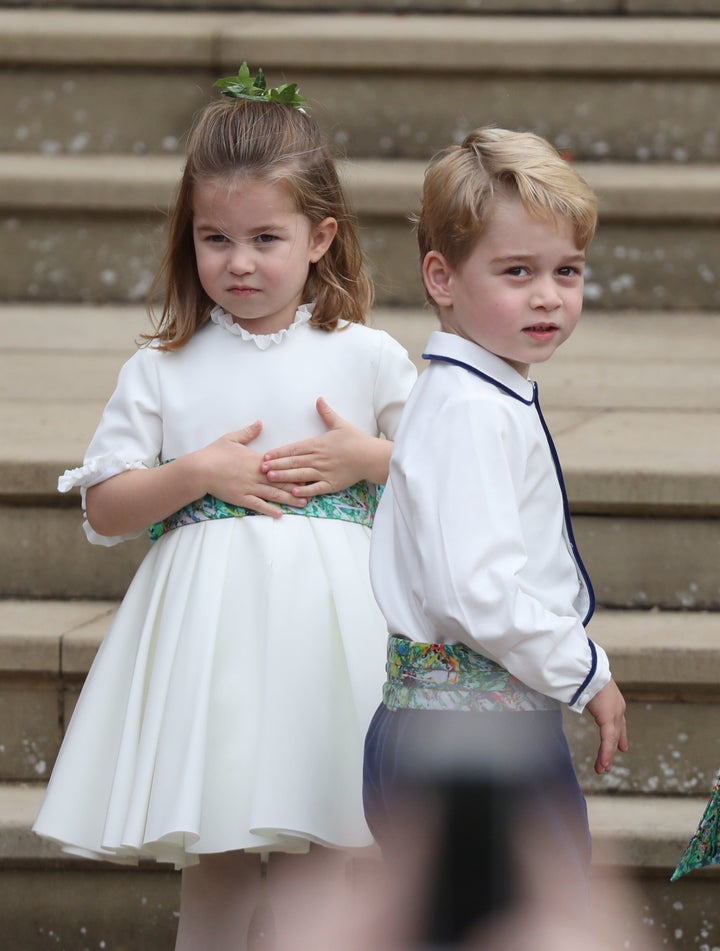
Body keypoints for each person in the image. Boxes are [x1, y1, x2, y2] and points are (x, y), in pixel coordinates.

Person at [33, 65, 417, 950]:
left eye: (264, 238)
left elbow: (447, 470)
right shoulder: (163, 367)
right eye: (215, 238)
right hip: (211, 651)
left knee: (327, 850)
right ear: (188, 236)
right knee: (220, 859)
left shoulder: (365, 355)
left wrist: (368, 456)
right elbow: (106, 504)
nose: (238, 262)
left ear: (321, 236)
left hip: (331, 640)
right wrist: (197, 472)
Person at [363, 127, 629, 946]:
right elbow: (478, 588)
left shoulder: (475, 392)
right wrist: (585, 671)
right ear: (441, 277)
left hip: (449, 721)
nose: (548, 296)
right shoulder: (474, 410)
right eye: (518, 273)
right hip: (477, 736)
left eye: (566, 272)